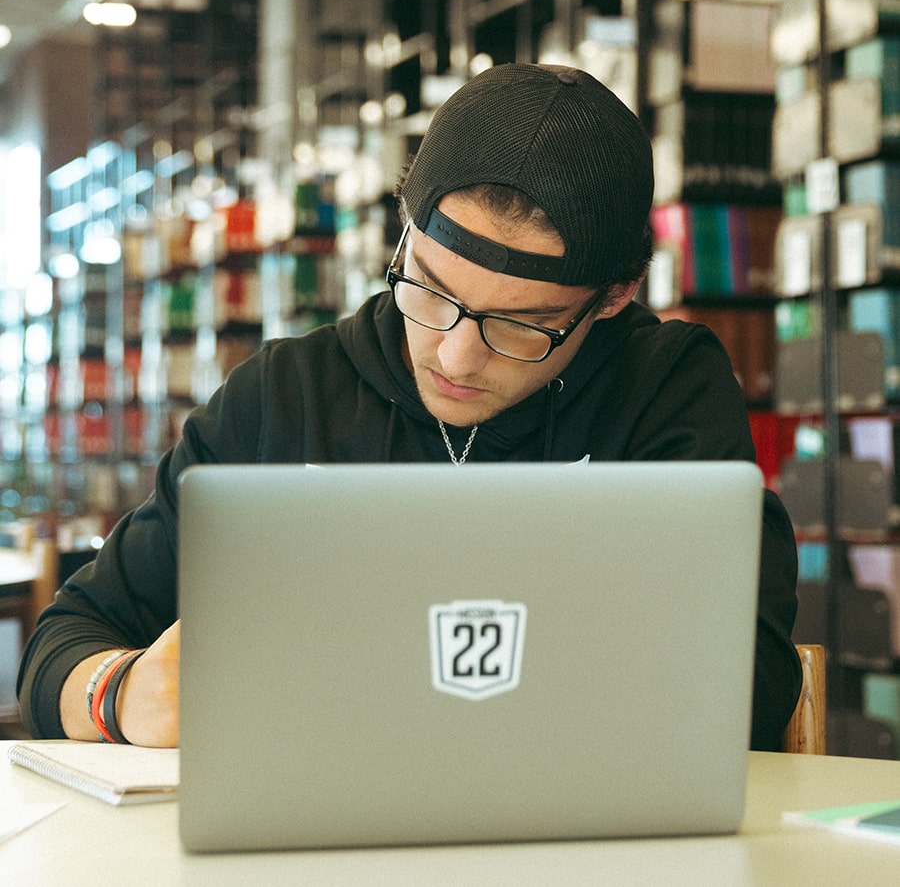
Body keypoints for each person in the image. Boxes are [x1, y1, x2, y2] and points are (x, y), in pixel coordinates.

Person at [17, 63, 801, 751]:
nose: (457, 357)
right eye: (431, 289)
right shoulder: (282, 397)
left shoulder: (665, 393)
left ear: (613, 300)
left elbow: (753, 695)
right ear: (403, 227)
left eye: (522, 325)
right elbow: (62, 643)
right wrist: (120, 694)